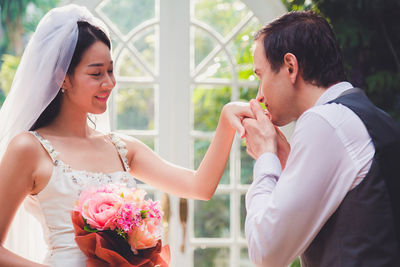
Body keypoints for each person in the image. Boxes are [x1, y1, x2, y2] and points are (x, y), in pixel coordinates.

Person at [0, 5, 251, 267]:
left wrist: (226, 121)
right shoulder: (28, 149)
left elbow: (199, 187)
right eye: (96, 73)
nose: (109, 83)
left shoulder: (122, 148)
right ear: (62, 78)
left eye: (111, 70)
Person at [242, 11, 400, 267]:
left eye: (261, 76)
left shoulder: (325, 122)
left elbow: (266, 253)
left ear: (290, 67)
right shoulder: (368, 117)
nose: (259, 95)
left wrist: (265, 158)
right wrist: (286, 162)